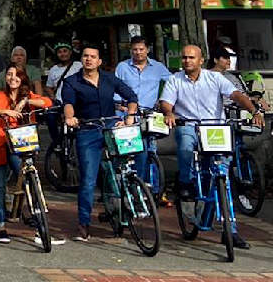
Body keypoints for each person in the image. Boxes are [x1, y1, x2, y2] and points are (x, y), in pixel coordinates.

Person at [160, 44, 263, 249]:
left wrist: (254, 110)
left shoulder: (215, 78)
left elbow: (235, 95)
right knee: (186, 143)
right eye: (184, 58)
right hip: (188, 125)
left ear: (201, 60)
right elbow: (166, 102)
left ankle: (231, 231)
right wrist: (169, 113)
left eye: (191, 58)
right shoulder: (174, 79)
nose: (187, 61)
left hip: (214, 129)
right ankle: (186, 183)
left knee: (222, 176)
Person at [61, 43, 139, 242]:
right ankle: (84, 222)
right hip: (87, 130)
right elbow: (68, 104)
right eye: (86, 56)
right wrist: (70, 118)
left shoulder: (109, 79)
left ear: (99, 61)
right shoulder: (72, 81)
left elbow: (131, 96)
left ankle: (127, 207)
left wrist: (130, 115)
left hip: (111, 127)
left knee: (123, 171)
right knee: (88, 178)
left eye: (93, 56)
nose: (89, 59)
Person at [0, 65, 52, 244]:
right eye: (9, 75)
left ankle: (38, 222)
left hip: (20, 144)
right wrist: (4, 111)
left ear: (23, 78)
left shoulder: (27, 96)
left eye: (16, 75)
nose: (13, 78)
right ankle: (1, 225)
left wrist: (27, 102)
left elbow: (47, 102)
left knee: (27, 179)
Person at [115, 36, 171, 195]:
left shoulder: (158, 67)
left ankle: (149, 187)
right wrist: (121, 105)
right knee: (125, 150)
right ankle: (123, 186)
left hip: (149, 115)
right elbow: (116, 88)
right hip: (126, 113)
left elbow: (172, 84)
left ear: (147, 50)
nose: (138, 53)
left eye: (141, 49)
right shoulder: (122, 67)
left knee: (148, 151)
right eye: (135, 50)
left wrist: (164, 101)